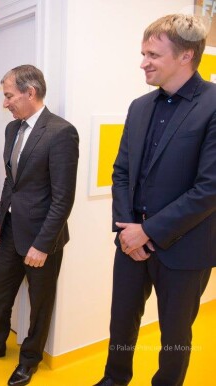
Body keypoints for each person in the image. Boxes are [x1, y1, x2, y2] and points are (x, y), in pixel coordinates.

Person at [94, 14, 216, 386]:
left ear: (186, 56)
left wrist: (147, 231)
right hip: (130, 242)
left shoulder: (212, 105)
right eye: (143, 53)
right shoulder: (140, 106)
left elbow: (209, 187)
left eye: (153, 55)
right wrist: (128, 231)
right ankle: (115, 379)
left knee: (175, 337)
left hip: (186, 248)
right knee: (121, 323)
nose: (143, 62)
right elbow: (121, 173)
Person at [0, 65, 79, 386]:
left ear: (31, 93)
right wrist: (0, 218)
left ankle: (30, 359)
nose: (5, 103)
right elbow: (11, 182)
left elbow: (62, 198)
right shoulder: (13, 129)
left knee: (41, 303)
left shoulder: (61, 132)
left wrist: (42, 244)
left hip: (44, 237)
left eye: (10, 96)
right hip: (13, 229)